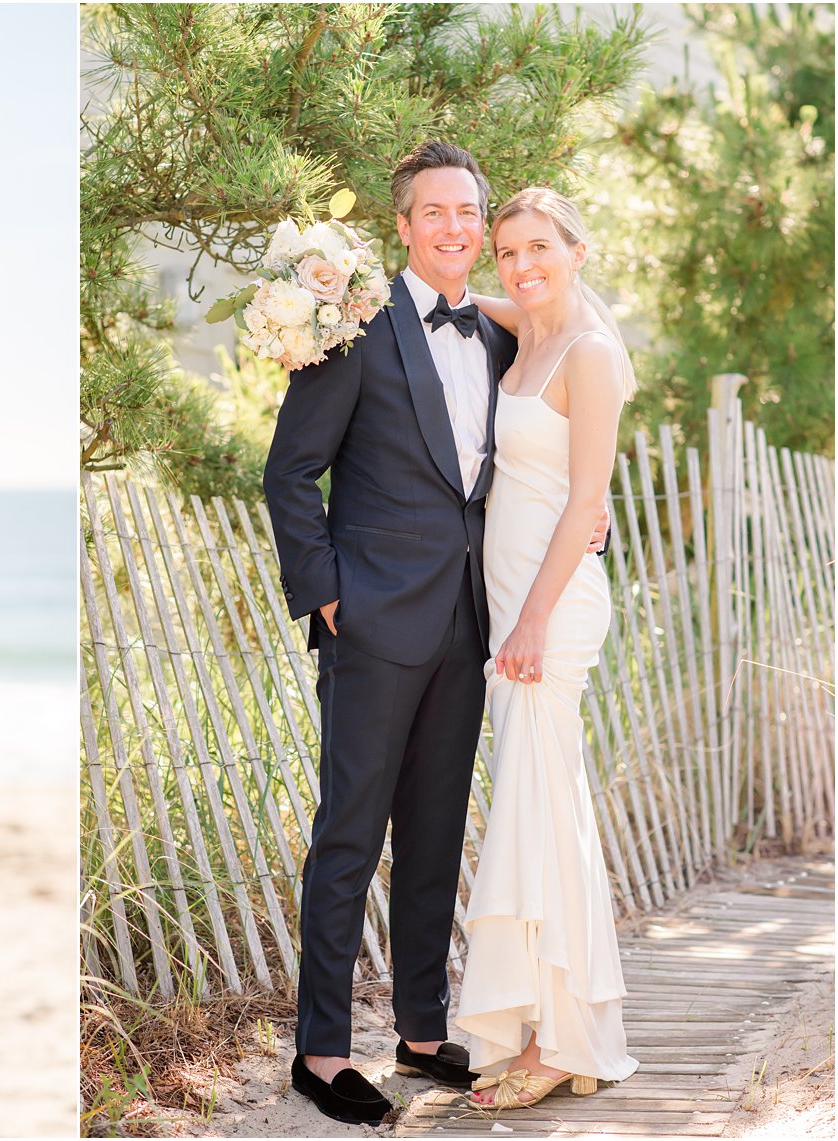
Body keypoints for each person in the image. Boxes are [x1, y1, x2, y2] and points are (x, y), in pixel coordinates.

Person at [262, 141, 607, 1126]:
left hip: (468, 621)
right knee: (347, 834)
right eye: (436, 213)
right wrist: (328, 596)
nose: (455, 228)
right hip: (371, 622)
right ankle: (321, 1052)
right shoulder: (353, 330)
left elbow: (555, 435)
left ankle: (421, 1032)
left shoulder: (504, 337)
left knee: (434, 834)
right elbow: (289, 474)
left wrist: (595, 505)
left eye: (469, 213)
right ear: (404, 227)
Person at [455, 187, 640, 1108]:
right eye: (507, 252)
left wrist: (528, 619)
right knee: (531, 805)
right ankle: (543, 1023)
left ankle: (563, 1039)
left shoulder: (590, 355)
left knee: (546, 806)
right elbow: (466, 301)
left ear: (577, 248)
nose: (521, 266)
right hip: (515, 603)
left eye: (539, 248)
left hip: (552, 608)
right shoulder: (525, 334)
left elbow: (586, 503)